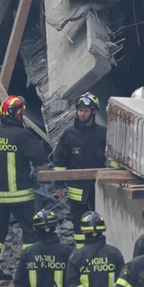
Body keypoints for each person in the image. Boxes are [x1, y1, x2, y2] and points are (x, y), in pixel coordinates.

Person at [0, 95, 49, 282]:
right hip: (20, 195)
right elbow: (40, 157)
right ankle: (29, 270)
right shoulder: (21, 135)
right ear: (17, 115)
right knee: (30, 232)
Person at [50, 92, 110, 244]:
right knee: (78, 222)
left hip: (98, 187)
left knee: (99, 219)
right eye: (80, 110)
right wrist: (59, 185)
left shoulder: (103, 133)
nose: (82, 114)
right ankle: (81, 253)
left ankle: (98, 249)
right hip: (76, 189)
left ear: (94, 112)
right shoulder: (69, 134)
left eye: (86, 110)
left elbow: (113, 158)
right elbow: (60, 161)